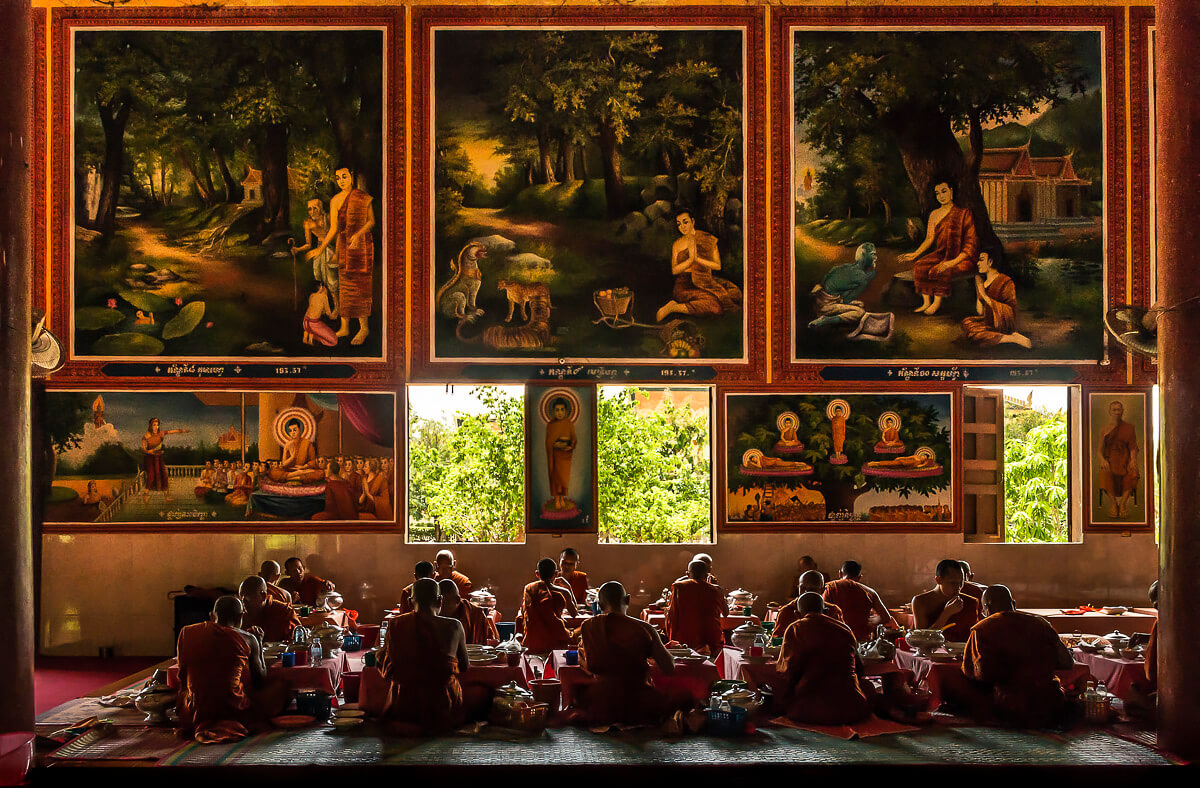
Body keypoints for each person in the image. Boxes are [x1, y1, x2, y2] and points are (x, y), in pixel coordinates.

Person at [175, 596, 286, 742]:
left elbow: (182, 674)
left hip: (195, 710)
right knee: (281, 688)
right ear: (241, 616)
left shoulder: (186, 633)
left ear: (212, 616)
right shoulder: (248, 638)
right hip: (234, 709)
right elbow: (260, 680)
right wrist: (258, 641)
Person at [961, 585, 1074, 728]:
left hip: (1010, 705)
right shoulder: (1039, 624)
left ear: (986, 608)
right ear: (1013, 604)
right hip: (1051, 701)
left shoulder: (982, 629)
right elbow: (1067, 663)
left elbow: (981, 674)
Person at [577, 581, 686, 726]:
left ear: (600, 606)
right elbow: (668, 667)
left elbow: (589, 665)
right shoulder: (645, 628)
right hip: (637, 699)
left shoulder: (589, 626)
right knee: (685, 698)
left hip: (602, 700)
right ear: (627, 599)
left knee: (579, 695)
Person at [377, 578, 468, 735]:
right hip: (442, 704)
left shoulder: (396, 625)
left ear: (410, 602)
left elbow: (387, 664)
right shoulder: (454, 626)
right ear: (440, 600)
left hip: (405, 705)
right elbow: (464, 666)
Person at [775, 593, 872, 725]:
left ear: (797, 614)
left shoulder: (796, 628)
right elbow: (860, 669)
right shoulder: (845, 629)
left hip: (809, 710)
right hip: (853, 709)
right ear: (826, 611)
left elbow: (788, 672)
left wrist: (781, 702)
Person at [307, 166, 375, 346]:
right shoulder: (336, 200)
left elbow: (371, 222)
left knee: (360, 287)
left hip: (361, 247)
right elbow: (334, 229)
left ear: (351, 176)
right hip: (344, 246)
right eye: (338, 178)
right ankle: (345, 327)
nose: (341, 181)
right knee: (345, 286)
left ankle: (363, 328)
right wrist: (320, 249)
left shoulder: (362, 197)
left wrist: (358, 235)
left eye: (344, 177)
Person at [898, 179, 979, 316]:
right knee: (920, 265)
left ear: (951, 192)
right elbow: (929, 238)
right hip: (941, 254)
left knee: (941, 270)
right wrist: (915, 254)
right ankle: (926, 302)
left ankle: (937, 302)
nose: (941, 196)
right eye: (937, 193)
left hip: (961, 257)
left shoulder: (964, 213)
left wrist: (950, 263)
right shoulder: (934, 214)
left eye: (944, 191)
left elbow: (970, 245)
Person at [655, 209, 742, 322]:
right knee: (714, 306)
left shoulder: (707, 238)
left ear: (693, 221)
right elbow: (675, 270)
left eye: (685, 222)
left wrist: (697, 259)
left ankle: (698, 301)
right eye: (679, 224)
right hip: (685, 284)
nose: (682, 226)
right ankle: (673, 307)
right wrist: (690, 260)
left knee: (736, 293)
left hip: (705, 279)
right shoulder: (677, 244)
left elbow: (717, 266)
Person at [959, 250, 1032, 348]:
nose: (978, 263)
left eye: (981, 260)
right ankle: (1008, 338)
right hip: (988, 322)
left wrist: (984, 295)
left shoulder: (1005, 281)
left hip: (1003, 323)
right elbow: (980, 312)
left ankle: (1012, 338)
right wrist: (979, 289)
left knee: (975, 337)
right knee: (966, 322)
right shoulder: (984, 283)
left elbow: (1010, 311)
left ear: (990, 262)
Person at [664, 560, 727, 657]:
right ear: (707, 575)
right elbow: (726, 613)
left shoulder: (679, 587)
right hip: (711, 639)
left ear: (687, 574)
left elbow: (672, 616)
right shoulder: (716, 590)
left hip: (685, 638)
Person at [823, 561, 898, 642]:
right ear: (859, 577)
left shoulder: (830, 588)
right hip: (861, 641)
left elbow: (822, 613)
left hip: (836, 639)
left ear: (840, 574)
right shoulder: (870, 592)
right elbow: (886, 617)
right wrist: (872, 621)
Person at [911, 559, 980, 642]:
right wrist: (946, 614)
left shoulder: (970, 602)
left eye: (961, 583)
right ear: (938, 580)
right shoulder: (920, 601)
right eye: (953, 583)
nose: (958, 587)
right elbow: (922, 639)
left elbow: (973, 637)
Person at [519, 558, 576, 653]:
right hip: (556, 639)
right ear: (556, 574)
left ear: (537, 574)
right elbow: (574, 614)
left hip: (533, 639)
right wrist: (569, 588)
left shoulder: (529, 588)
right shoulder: (564, 592)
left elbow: (525, 613)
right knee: (580, 630)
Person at [292, 197, 339, 312]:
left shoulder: (327, 218)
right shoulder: (307, 223)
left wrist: (337, 252)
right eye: (309, 209)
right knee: (319, 278)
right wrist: (297, 249)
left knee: (331, 280)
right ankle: (324, 306)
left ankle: (337, 306)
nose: (312, 212)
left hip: (329, 248)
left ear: (321, 209)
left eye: (315, 208)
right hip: (318, 249)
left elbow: (337, 235)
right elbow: (308, 244)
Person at [1099, 400, 1141, 519]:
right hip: (1110, 459)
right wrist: (1102, 460)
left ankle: (1122, 505)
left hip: (1125, 459)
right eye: (1114, 410)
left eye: (1119, 410)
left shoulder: (1129, 428)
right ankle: (1113, 504)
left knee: (1133, 472)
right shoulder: (1104, 429)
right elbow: (1099, 450)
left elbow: (1133, 447)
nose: (1117, 412)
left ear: (1122, 411)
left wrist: (1133, 460)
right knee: (1104, 472)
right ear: (1110, 412)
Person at [777, 570, 844, 636]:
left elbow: (842, 637)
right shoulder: (787, 611)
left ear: (822, 590)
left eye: (812, 589)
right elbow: (777, 640)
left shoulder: (833, 611)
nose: (806, 592)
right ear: (798, 588)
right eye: (803, 588)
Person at [238, 576, 301, 643]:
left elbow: (297, 642)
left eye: (248, 598)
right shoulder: (241, 616)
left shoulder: (284, 612)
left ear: (263, 596)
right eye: (241, 599)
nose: (243, 603)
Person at [438, 579, 498, 646]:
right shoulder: (434, 615)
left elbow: (490, 643)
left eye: (445, 604)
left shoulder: (476, 614)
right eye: (439, 604)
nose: (441, 609)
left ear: (457, 600)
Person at [141, 418, 188, 501]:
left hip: (159, 456)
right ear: (151, 426)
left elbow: (171, 432)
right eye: (154, 425)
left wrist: (181, 431)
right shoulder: (147, 435)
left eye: (157, 424)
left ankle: (166, 496)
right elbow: (144, 448)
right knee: (151, 475)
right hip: (150, 458)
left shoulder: (161, 433)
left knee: (164, 474)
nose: (156, 427)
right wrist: (148, 451)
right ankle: (146, 494)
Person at [544, 397, 577, 512]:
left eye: (562, 410)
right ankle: (557, 499)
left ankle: (562, 498)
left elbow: (573, 438)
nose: (559, 412)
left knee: (563, 478)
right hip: (554, 455)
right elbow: (548, 441)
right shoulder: (551, 425)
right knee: (555, 478)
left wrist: (570, 446)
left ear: (566, 411)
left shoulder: (569, 423)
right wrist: (554, 445)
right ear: (553, 412)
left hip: (565, 456)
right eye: (557, 410)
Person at [268, 420, 325, 484]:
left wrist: (304, 467)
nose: (292, 432)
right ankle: (297, 476)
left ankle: (291, 478)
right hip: (290, 471)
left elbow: (313, 461)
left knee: (321, 473)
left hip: (303, 469)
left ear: (300, 430)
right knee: (273, 472)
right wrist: (292, 457)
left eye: (294, 430)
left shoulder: (307, 443)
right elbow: (284, 464)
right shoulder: (287, 444)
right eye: (290, 431)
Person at [301, 283, 339, 347]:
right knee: (334, 341)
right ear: (320, 288)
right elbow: (328, 313)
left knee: (313, 328)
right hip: (314, 323)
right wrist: (335, 312)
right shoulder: (324, 297)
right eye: (322, 286)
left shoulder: (312, 295)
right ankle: (312, 335)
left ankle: (308, 334)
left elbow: (315, 308)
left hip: (305, 321)